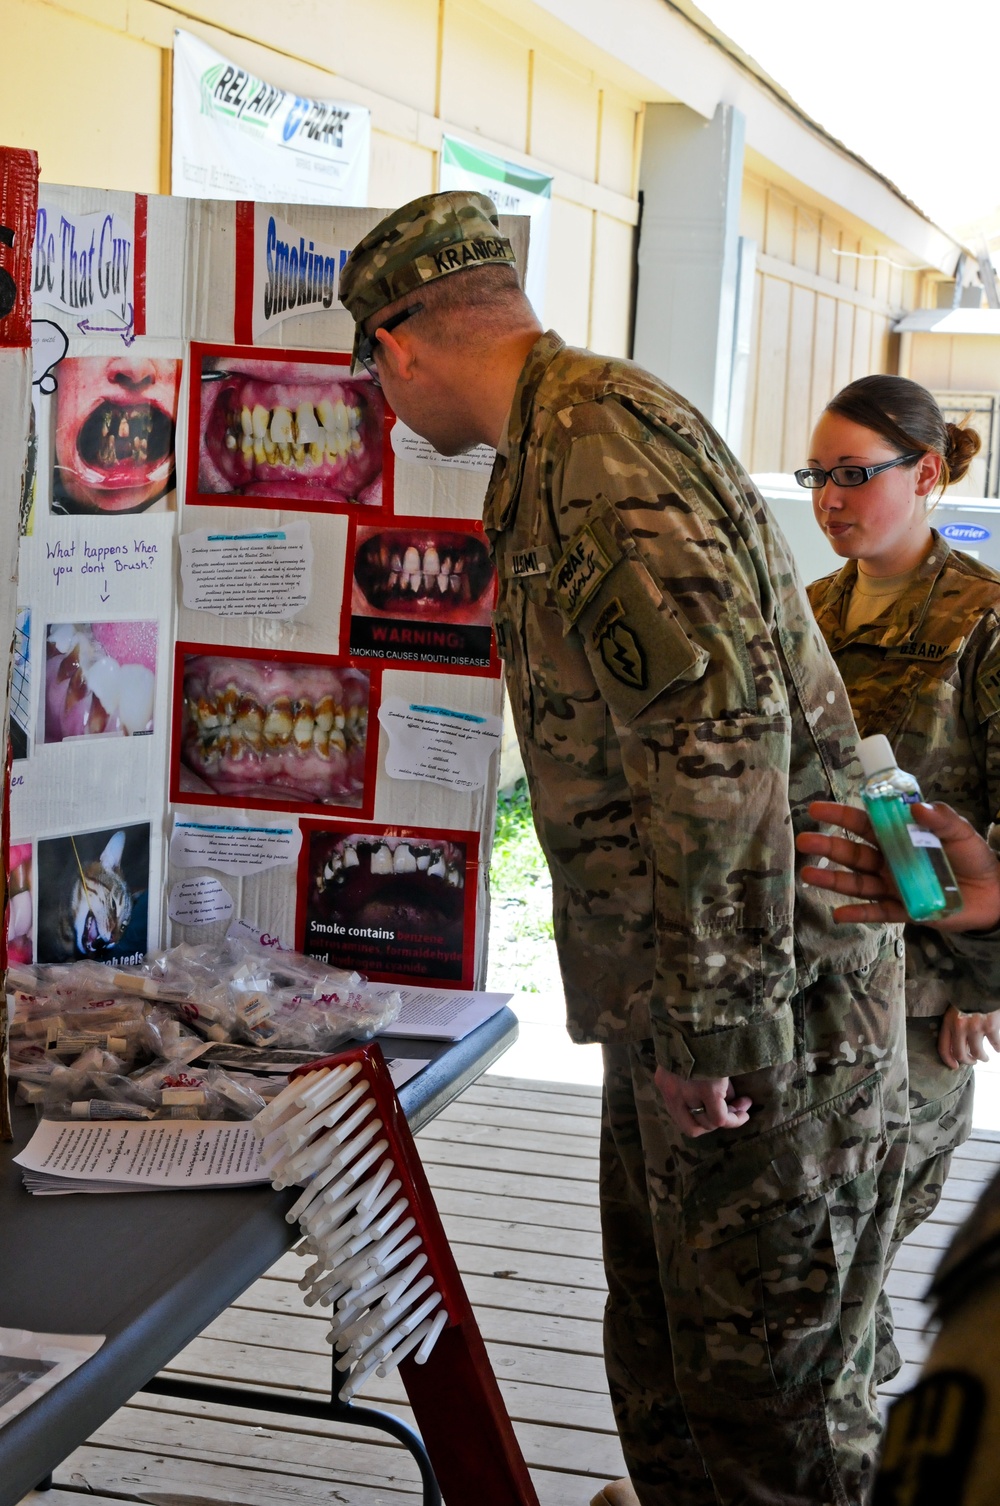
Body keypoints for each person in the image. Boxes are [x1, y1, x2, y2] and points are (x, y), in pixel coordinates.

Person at [338, 191, 908, 1506]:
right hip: (692, 994)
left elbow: (717, 740)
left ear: (403, 340)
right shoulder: (557, 438)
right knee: (674, 1377)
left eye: (373, 372)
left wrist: (714, 1028)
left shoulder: (594, 444)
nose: (383, 401)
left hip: (769, 1008)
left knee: (775, 1419)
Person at [802, 377, 1000, 1261]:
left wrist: (981, 983)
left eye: (853, 474)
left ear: (926, 474)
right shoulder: (802, 614)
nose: (830, 500)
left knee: (859, 1254)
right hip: (803, 979)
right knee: (795, 1256)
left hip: (918, 1002)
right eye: (816, 476)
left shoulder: (984, 620)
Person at [798, 800, 1000, 1506]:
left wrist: (984, 968)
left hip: (916, 989)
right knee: (831, 1286)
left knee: (831, 1283)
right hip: (800, 970)